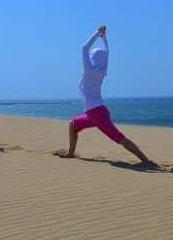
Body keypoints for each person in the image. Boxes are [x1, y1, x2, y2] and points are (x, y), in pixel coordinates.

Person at [56, 26, 151, 163]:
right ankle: (71, 153)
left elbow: (84, 48)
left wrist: (97, 33)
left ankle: (146, 161)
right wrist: (104, 37)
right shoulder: (102, 71)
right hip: (94, 113)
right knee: (73, 125)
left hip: (96, 113)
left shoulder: (89, 70)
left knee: (119, 138)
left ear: (93, 58)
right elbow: (107, 52)